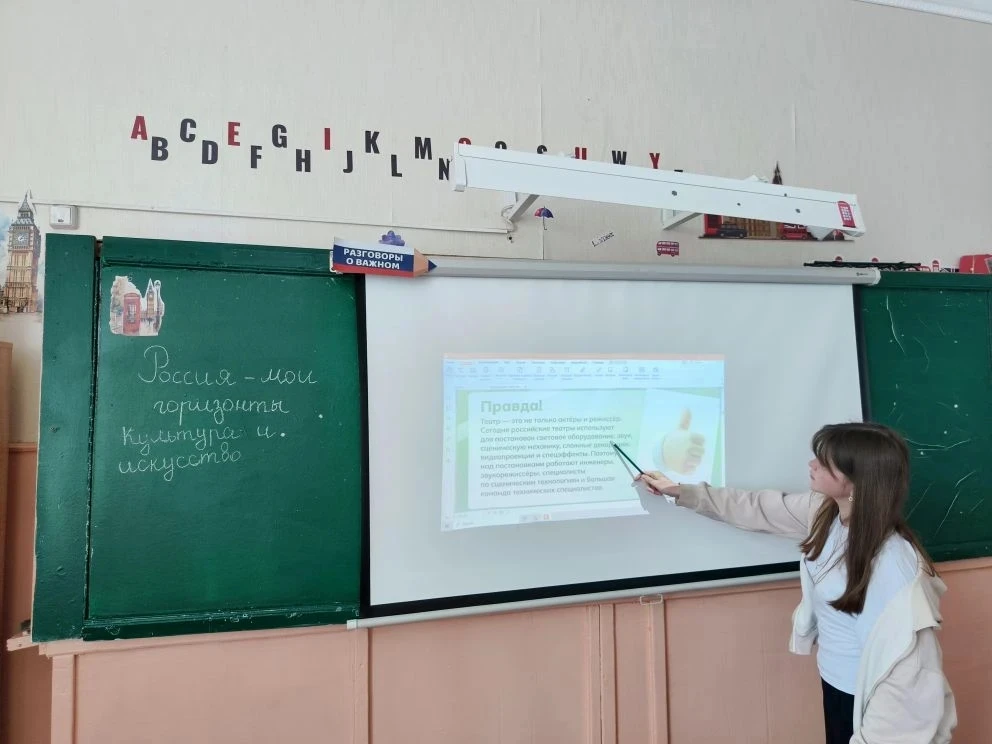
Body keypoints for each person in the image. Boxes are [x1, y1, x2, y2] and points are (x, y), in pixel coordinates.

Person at [636, 422, 956, 744]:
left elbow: (908, 674)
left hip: (873, 701)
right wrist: (680, 491)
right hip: (836, 682)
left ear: (854, 479)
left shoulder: (891, 562)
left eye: (824, 461)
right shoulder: (826, 512)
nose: (812, 464)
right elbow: (755, 507)